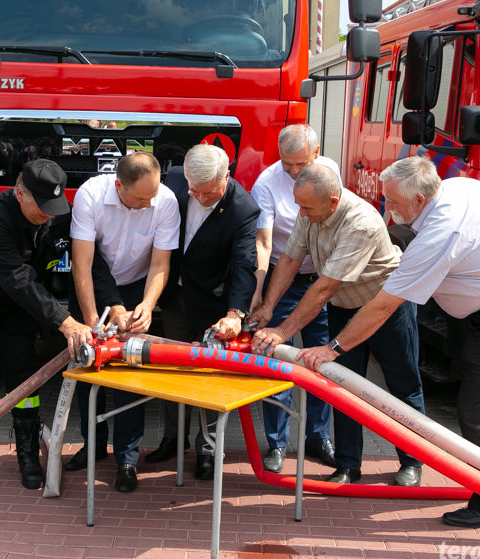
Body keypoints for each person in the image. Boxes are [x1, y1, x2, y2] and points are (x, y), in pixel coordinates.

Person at [297, 156, 480, 527]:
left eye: (393, 202)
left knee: (478, 410)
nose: (387, 208)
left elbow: (384, 306)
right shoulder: (460, 186)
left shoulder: (439, 234)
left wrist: (332, 348)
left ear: (419, 200)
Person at [250, 163, 425, 487]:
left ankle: (412, 462)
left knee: (403, 386)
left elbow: (324, 287)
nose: (300, 214)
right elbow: (289, 261)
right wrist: (268, 308)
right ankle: (349, 465)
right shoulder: (310, 211)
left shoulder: (360, 222)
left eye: (306, 207)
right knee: (343, 386)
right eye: (298, 205)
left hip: (384, 309)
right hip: (345, 308)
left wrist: (283, 332)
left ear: (333, 201)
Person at [0, 159, 105, 489]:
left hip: (18, 306)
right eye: (42, 207)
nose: (49, 214)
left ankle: (28, 452)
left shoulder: (59, 213)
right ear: (19, 194)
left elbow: (88, 258)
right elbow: (15, 276)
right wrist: (64, 320)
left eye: (55, 206)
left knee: (22, 373)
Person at [68, 152, 180, 493]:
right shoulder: (90, 196)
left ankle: (128, 458)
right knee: (88, 369)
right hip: (92, 286)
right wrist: (90, 322)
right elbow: (82, 265)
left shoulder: (165, 201)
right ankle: (93, 444)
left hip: (136, 285)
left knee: (129, 375)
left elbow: (161, 263)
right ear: (119, 185)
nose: (149, 204)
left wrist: (147, 304)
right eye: (140, 198)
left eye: (153, 196)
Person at [146, 144, 259, 480]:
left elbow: (244, 265)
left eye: (208, 193)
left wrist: (235, 313)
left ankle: (208, 448)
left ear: (226, 176)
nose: (199, 198)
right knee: (171, 369)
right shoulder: (178, 180)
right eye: (194, 191)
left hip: (213, 303)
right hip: (176, 294)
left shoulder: (243, 209)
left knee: (210, 376)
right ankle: (172, 439)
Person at [249, 124, 338, 474]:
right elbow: (264, 242)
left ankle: (319, 436)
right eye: (287, 164)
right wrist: (259, 293)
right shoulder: (267, 183)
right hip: (283, 279)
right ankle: (277, 443)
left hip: (323, 280)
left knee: (323, 361)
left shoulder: (331, 173)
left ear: (316, 154)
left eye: (300, 163)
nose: (293, 171)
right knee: (274, 357)